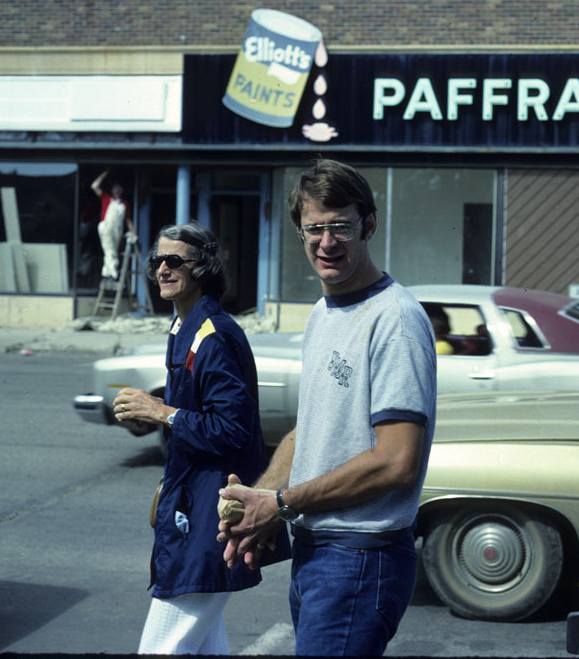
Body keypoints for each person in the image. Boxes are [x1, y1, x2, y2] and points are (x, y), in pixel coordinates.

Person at [216, 159, 437, 657]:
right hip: (318, 551)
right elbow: (310, 432)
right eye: (314, 229)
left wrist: (282, 504)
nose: (327, 242)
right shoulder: (323, 313)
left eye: (341, 226)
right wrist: (260, 500)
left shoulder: (395, 320)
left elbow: (397, 461)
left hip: (359, 559)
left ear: (369, 225)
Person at [113, 221, 288, 654]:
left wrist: (162, 412)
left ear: (203, 268)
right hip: (192, 508)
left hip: (211, 517)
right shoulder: (183, 327)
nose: (163, 269)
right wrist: (155, 415)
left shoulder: (214, 335)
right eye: (158, 260)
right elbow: (197, 414)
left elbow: (232, 429)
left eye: (175, 261)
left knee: (160, 650)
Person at [92, 169, 138, 280]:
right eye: (115, 188)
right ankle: (113, 271)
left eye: (119, 188)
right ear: (112, 189)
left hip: (117, 230)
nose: (117, 190)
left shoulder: (124, 203)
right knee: (109, 249)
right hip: (106, 227)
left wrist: (133, 233)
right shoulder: (106, 198)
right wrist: (104, 174)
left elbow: (128, 220)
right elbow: (94, 186)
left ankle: (106, 272)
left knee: (112, 250)